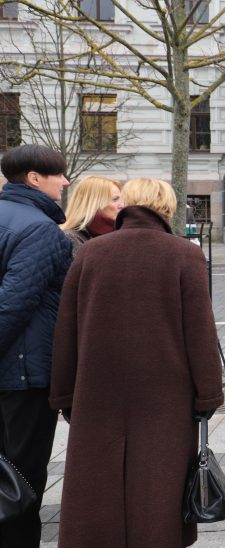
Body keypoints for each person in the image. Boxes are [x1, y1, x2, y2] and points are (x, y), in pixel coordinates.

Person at [50, 177, 224, 548]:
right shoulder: (184, 254)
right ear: (166, 207)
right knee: (157, 488)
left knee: (97, 490)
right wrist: (208, 395)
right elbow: (200, 331)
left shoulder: (92, 253)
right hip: (165, 396)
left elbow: (67, 327)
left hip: (98, 393)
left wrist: (64, 394)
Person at [0, 144, 72, 547]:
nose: (65, 181)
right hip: (25, 376)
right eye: (58, 174)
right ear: (33, 178)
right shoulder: (39, 230)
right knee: (22, 481)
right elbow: (13, 305)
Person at [60, 175, 124, 258]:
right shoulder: (70, 238)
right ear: (94, 204)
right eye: (115, 199)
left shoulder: (122, 233)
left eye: (122, 200)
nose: (122, 205)